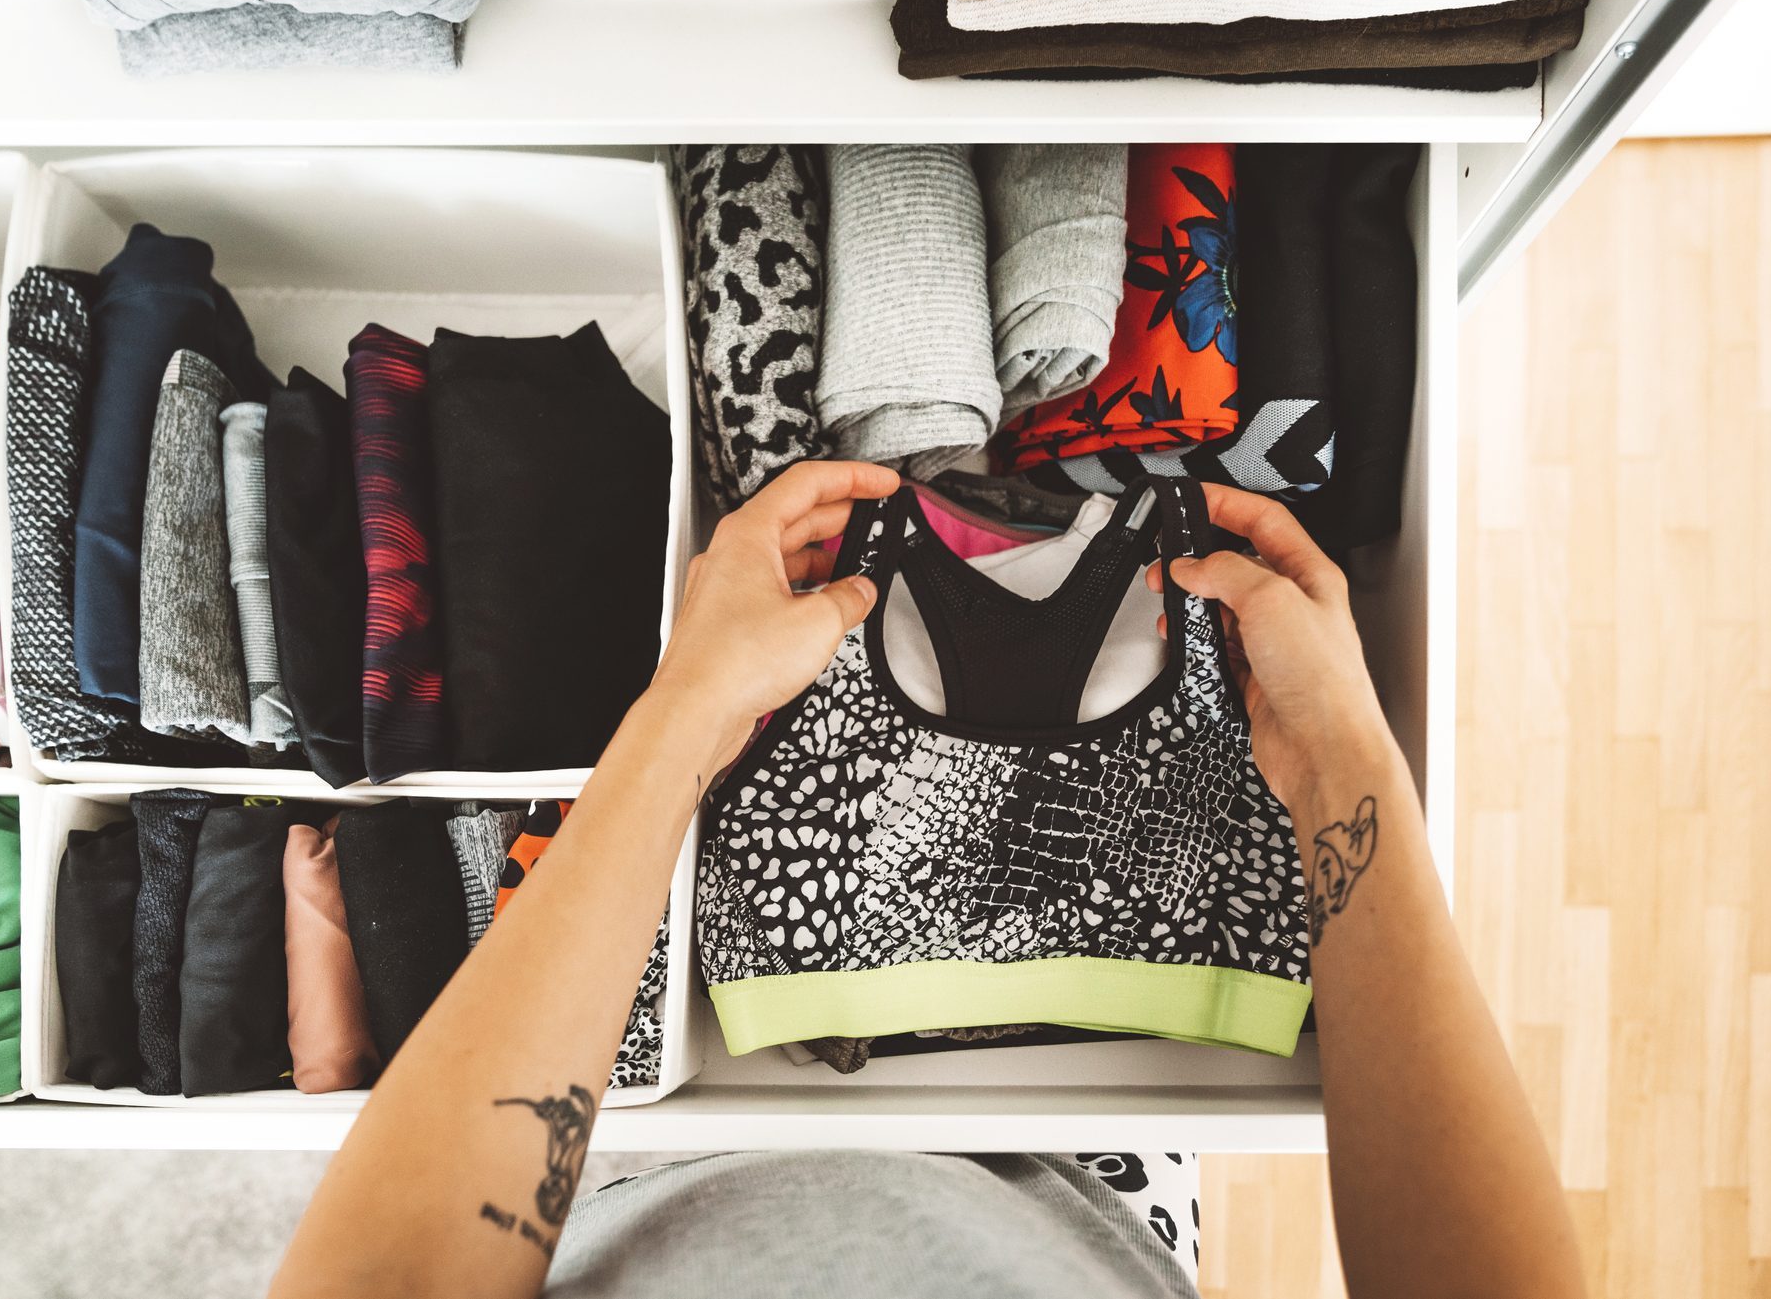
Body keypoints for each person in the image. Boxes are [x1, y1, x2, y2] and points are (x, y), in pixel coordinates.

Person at [268, 461, 1585, 1299]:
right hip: (1095, 1201)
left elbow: (388, 1276)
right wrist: (1345, 761)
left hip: (695, 1172)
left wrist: (681, 724)